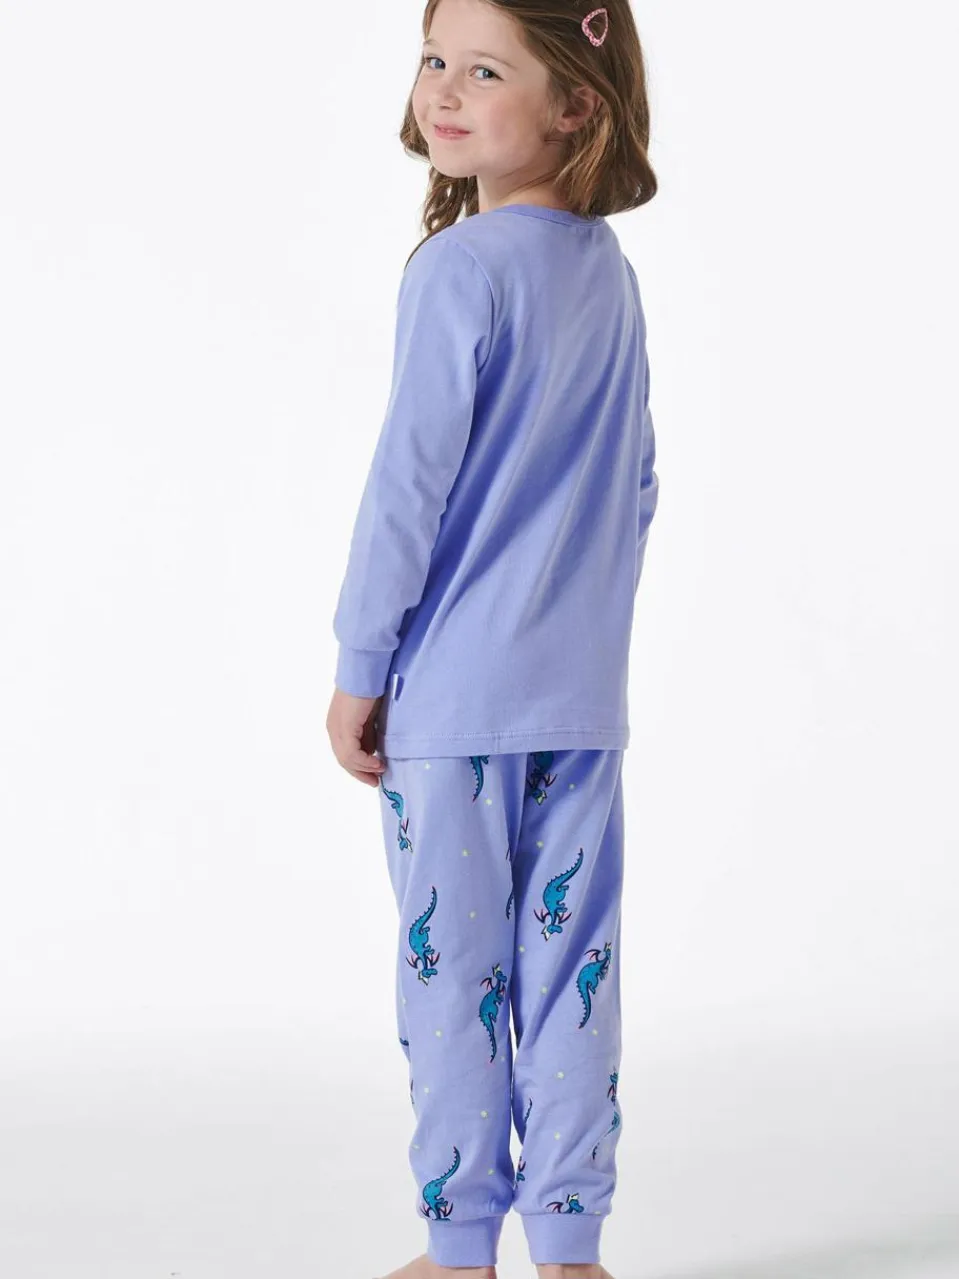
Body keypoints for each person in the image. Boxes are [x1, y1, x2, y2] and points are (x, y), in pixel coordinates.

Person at [326, 2, 660, 1277]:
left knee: (453, 972)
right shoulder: (606, 274)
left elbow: (405, 490)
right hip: (578, 703)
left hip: (454, 707)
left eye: (483, 70)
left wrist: (360, 666)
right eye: (432, 61)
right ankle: (570, 1247)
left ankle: (459, 1246)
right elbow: (637, 482)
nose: (444, 91)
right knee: (573, 964)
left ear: (575, 105)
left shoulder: (459, 270)